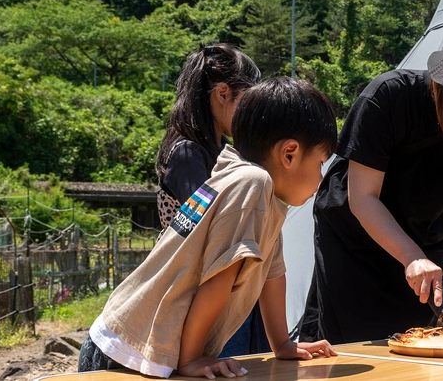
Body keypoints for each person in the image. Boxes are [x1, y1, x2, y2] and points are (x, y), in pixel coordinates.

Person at [78, 77, 339, 379]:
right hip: (126, 350)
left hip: (129, 340)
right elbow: (219, 277)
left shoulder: (260, 192)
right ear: (289, 153)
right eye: (319, 163)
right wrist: (192, 359)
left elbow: (273, 273)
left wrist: (281, 344)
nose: (321, 178)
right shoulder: (251, 184)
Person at [301, 19, 443, 344]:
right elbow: (362, 197)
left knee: (415, 341)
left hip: (422, 239)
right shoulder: (388, 98)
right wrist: (410, 256)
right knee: (355, 344)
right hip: (353, 236)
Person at [154, 42, 268, 356]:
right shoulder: (189, 152)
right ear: (222, 93)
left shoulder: (218, 152)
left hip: (214, 289)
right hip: (198, 295)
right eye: (248, 101)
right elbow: (211, 224)